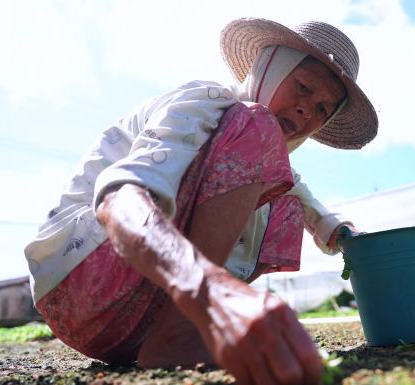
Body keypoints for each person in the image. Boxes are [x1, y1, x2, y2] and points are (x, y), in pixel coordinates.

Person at [23, 18, 378, 385]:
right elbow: (119, 199)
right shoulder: (204, 103)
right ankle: (183, 330)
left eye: (323, 109)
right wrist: (209, 290)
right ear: (270, 69)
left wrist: (341, 232)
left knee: (284, 198)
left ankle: (182, 328)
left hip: (132, 325)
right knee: (257, 127)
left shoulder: (266, 159)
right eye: (303, 87)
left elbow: (306, 201)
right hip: (81, 279)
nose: (308, 110)